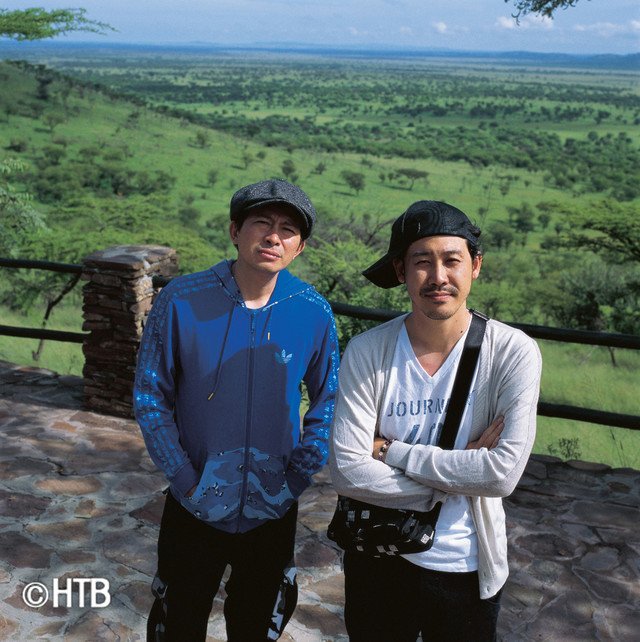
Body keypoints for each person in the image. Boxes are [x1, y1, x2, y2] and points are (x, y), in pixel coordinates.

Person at [134, 178, 340, 641]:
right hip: (193, 503)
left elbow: (330, 400)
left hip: (272, 507)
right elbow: (150, 396)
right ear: (234, 231)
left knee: (256, 623)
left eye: (288, 229)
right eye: (261, 222)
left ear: (300, 247)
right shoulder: (182, 300)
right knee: (178, 621)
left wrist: (294, 480)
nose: (273, 237)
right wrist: (185, 478)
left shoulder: (312, 311)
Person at [329, 200, 541, 642]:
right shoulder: (369, 352)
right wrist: (459, 475)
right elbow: (348, 470)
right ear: (401, 270)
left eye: (452, 260)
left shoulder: (510, 352)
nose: (438, 276)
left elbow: (501, 473)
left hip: (464, 563)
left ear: (475, 266)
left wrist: (391, 451)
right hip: (376, 555)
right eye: (422, 261)